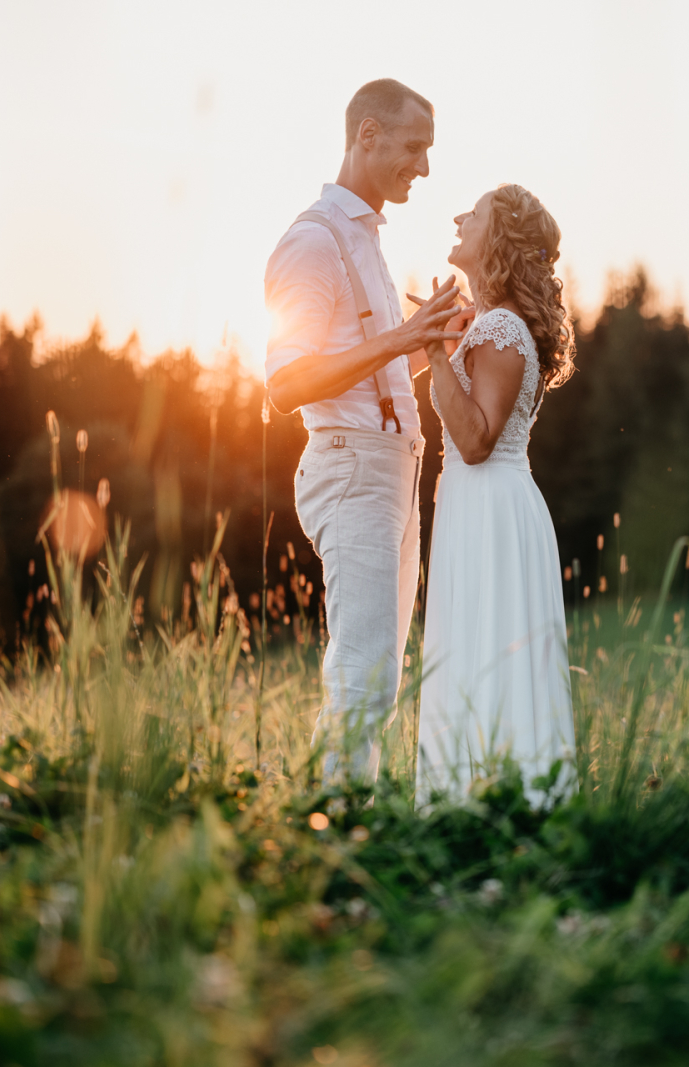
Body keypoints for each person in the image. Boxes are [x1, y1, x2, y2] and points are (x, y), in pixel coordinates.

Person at [265, 79, 467, 780]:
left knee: (378, 674)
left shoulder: (365, 240)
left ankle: (350, 823)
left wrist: (429, 340)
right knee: (362, 674)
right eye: (415, 147)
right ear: (368, 136)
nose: (426, 166)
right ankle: (336, 837)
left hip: (393, 471)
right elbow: (287, 382)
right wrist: (397, 340)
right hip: (353, 471)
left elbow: (369, 379)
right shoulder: (314, 242)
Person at [415, 184, 576, 803]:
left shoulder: (504, 326)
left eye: (473, 213)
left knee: (491, 652)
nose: (459, 217)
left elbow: (476, 438)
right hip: (477, 504)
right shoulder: (491, 325)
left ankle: (497, 803)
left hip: (491, 504)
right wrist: (446, 341)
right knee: (476, 649)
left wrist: (434, 349)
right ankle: (477, 800)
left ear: (499, 237)